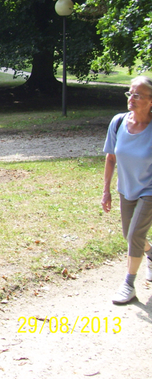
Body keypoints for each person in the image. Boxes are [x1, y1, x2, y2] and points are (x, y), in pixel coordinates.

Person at [102, 76, 152, 305]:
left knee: (134, 235)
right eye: (129, 93)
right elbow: (111, 158)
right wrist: (107, 191)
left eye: (137, 95)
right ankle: (150, 254)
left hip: (149, 190)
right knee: (129, 235)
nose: (131, 99)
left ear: (150, 100)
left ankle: (128, 284)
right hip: (126, 187)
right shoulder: (118, 122)